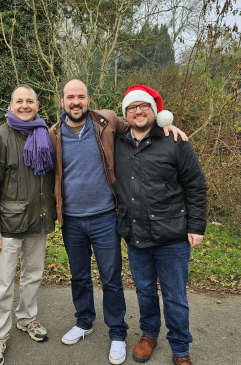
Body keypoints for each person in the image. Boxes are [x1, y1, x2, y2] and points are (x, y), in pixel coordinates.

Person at [48, 79, 187, 365]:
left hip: (106, 217)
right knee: (79, 277)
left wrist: (166, 125)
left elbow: (142, 126)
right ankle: (84, 321)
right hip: (72, 220)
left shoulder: (107, 121)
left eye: (81, 97)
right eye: (70, 97)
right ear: (62, 101)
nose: (76, 102)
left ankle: (117, 333)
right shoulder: (52, 134)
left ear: (89, 99)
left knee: (111, 279)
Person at [114, 85, 207, 365]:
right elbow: (89, 116)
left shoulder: (175, 140)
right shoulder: (117, 142)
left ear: (156, 112)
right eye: (132, 107)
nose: (138, 111)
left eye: (144, 106)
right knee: (144, 290)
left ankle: (180, 348)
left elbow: (196, 186)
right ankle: (149, 334)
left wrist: (197, 226)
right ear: (125, 114)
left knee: (175, 297)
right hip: (135, 234)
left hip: (172, 236)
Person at [0, 84, 56, 365]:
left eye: (30, 101)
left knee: (33, 276)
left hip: (38, 219)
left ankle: (26, 318)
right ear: (10, 105)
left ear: (38, 105)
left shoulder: (45, 135)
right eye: (19, 101)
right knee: (2, 285)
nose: (25, 105)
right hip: (8, 224)